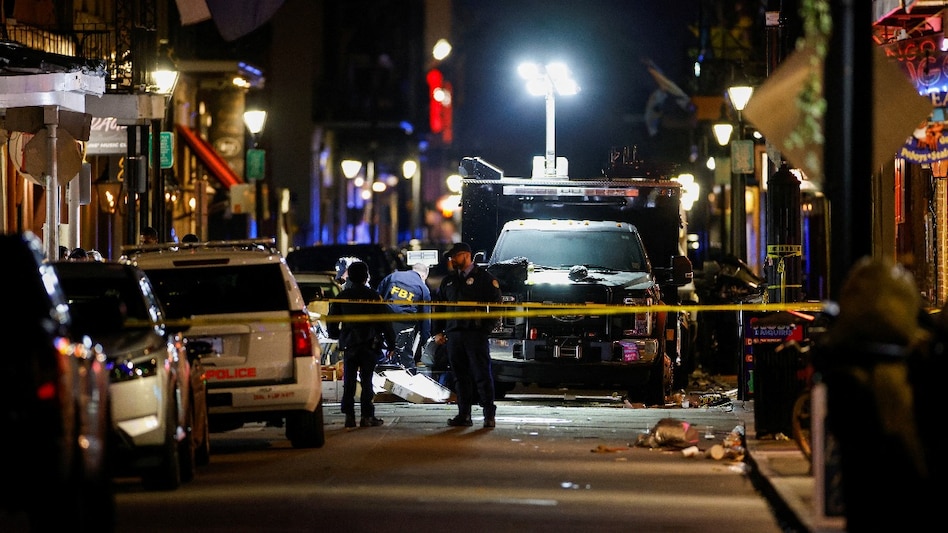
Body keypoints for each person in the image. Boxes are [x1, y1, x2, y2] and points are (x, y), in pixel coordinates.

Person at [432, 242, 502, 428]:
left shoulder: (484, 279)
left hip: (475, 334)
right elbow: (438, 308)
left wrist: (484, 330)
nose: (452, 260)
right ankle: (464, 415)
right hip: (454, 335)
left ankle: (488, 415)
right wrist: (437, 331)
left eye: (455, 256)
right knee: (460, 376)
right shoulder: (449, 281)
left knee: (481, 375)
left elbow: (497, 307)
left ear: (466, 255)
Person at [326, 261, 396, 428]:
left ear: (349, 276)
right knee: (367, 381)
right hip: (369, 343)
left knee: (349, 381)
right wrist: (391, 343)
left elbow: (332, 321)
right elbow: (385, 322)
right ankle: (367, 416)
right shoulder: (373, 296)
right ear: (366, 276)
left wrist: (336, 335)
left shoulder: (342, 296)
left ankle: (349, 416)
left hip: (350, 343)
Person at [376, 263, 431, 373]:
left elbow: (376, 297)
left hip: (384, 322)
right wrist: (426, 344)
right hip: (405, 326)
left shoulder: (392, 276)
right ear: (424, 276)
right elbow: (425, 319)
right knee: (405, 361)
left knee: (382, 357)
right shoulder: (423, 287)